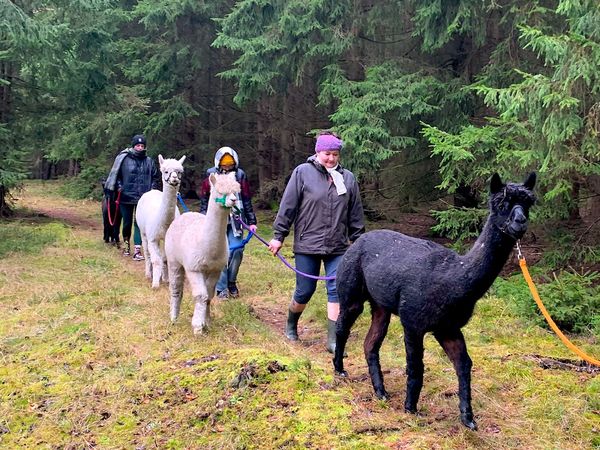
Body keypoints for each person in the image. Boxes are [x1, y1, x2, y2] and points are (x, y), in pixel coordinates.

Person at [267, 131, 365, 353]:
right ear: (318, 152)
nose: (331, 158)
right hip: (307, 244)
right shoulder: (302, 173)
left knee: (336, 290)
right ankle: (291, 324)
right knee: (304, 290)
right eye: (327, 153)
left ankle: (333, 340)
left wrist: (358, 244)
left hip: (338, 246)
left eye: (335, 154)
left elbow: (355, 214)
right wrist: (278, 236)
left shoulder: (348, 178)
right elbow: (288, 206)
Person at [199, 146, 258, 298]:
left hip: (235, 220)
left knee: (236, 250)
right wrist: (203, 217)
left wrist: (251, 221)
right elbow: (205, 198)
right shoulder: (210, 175)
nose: (227, 167)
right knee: (219, 254)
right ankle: (221, 288)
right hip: (216, 221)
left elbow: (245, 198)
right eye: (224, 164)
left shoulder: (240, 175)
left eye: (230, 164)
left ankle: (231, 281)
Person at [104, 134, 159, 261]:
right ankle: (127, 245)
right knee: (127, 222)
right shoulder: (123, 159)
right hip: (125, 197)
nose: (140, 148)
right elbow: (116, 176)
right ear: (133, 146)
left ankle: (138, 250)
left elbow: (155, 177)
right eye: (138, 145)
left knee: (138, 223)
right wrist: (119, 187)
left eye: (142, 145)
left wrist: (152, 189)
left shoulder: (149, 161)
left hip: (143, 199)